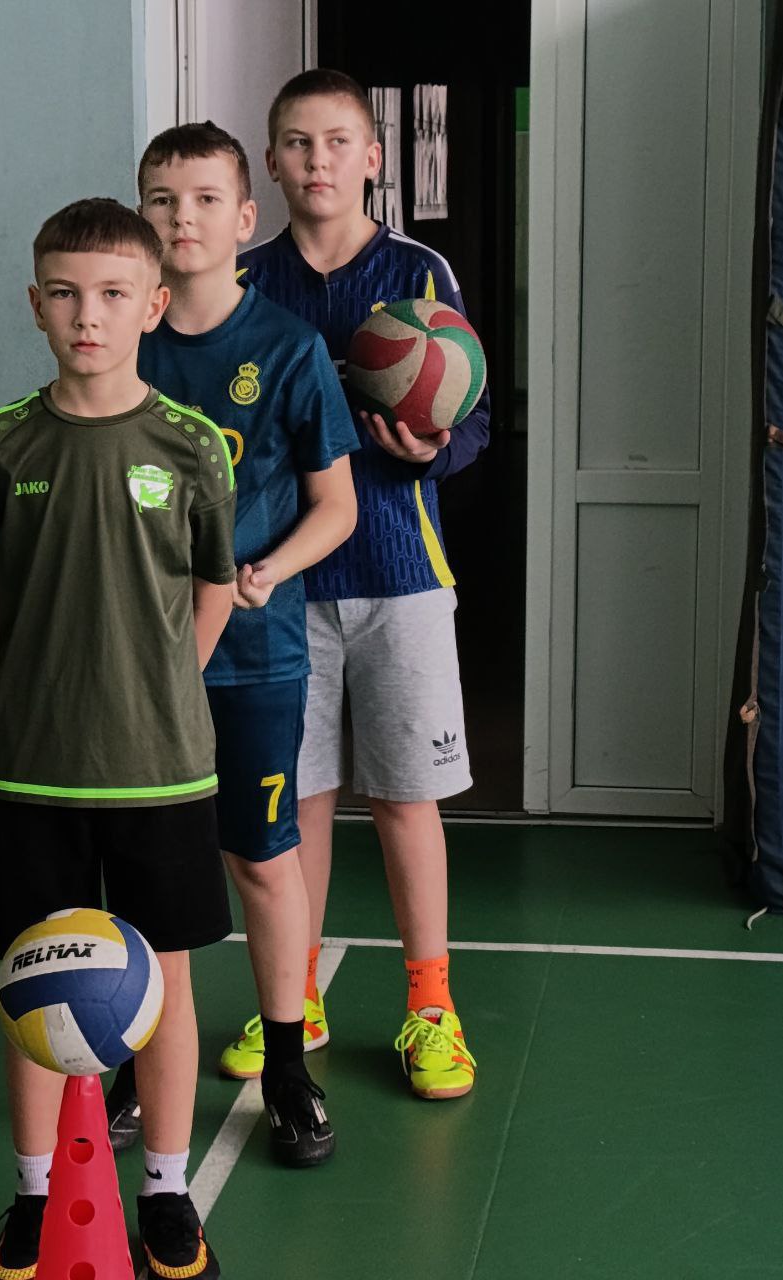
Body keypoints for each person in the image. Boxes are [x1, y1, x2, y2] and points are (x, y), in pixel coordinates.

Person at [0, 197, 236, 1280]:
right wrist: (45, 682)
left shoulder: (191, 444)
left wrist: (157, 686)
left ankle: (165, 1189)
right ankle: (34, 1191)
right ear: (35, 304)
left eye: (114, 294)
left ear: (152, 305)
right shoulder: (2, 444)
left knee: (164, 982)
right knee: (30, 981)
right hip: (37, 771)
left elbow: (210, 592)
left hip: (161, 772)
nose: (89, 315)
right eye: (67, 294)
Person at [229, 69, 491, 1100]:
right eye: (297, 143)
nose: (318, 160)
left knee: (405, 800)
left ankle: (431, 1006)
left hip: (399, 576)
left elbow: (471, 418)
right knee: (295, 803)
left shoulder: (418, 272)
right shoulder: (247, 280)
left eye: (337, 141)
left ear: (373, 156)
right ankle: (294, 996)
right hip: (283, 583)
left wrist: (432, 447)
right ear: (271, 160)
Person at [105, 120, 359, 1166]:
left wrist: (271, 567)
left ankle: (288, 1066)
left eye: (206, 198)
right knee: (142, 870)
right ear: (142, 216)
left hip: (255, 656)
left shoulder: (287, 349)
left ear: (245, 217)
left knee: (261, 859)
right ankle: (134, 1061)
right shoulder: (119, 339)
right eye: (162, 199)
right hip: (142, 661)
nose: (184, 218)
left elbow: (336, 507)